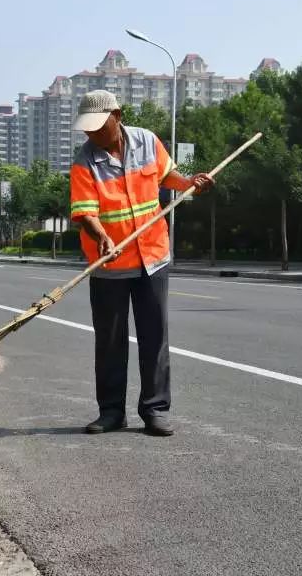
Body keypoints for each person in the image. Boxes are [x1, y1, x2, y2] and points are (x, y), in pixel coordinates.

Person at [69, 90, 214, 436]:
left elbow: (169, 178)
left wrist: (191, 184)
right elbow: (85, 212)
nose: (93, 135)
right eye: (87, 130)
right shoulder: (84, 160)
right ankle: (111, 412)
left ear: (117, 116)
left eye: (99, 127)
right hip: (109, 264)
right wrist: (102, 235)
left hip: (152, 257)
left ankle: (155, 410)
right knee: (110, 341)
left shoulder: (147, 142)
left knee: (154, 337)